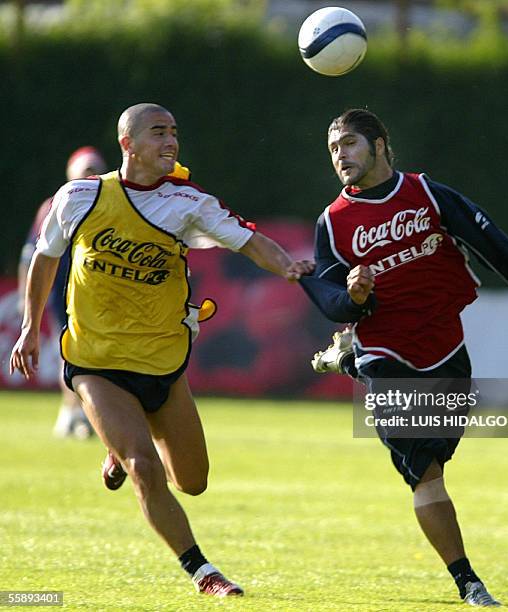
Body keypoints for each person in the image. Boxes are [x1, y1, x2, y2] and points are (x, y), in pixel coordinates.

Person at [10, 102, 313, 599]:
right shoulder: (80, 196)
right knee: (145, 468)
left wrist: (288, 267)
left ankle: (116, 449)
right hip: (95, 361)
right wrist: (29, 327)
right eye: (158, 133)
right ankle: (204, 572)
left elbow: (249, 241)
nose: (170, 141)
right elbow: (45, 259)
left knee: (192, 481)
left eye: (174, 133)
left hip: (163, 364)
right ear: (127, 143)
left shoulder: (187, 202)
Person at [299, 109, 508, 607]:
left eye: (350, 144)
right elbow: (327, 298)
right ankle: (468, 582)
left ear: (380, 145)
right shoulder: (333, 222)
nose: (341, 156)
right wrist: (351, 297)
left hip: (445, 348)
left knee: (439, 452)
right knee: (425, 471)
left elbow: (495, 247)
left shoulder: (428, 195)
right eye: (334, 149)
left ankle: (346, 360)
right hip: (385, 350)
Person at [18, 147, 107, 439]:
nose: (92, 175)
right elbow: (32, 257)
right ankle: (77, 414)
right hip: (61, 291)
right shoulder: (55, 205)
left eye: (96, 170)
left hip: (95, 292)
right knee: (70, 351)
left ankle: (75, 413)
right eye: (86, 170)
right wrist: (26, 298)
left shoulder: (110, 202)